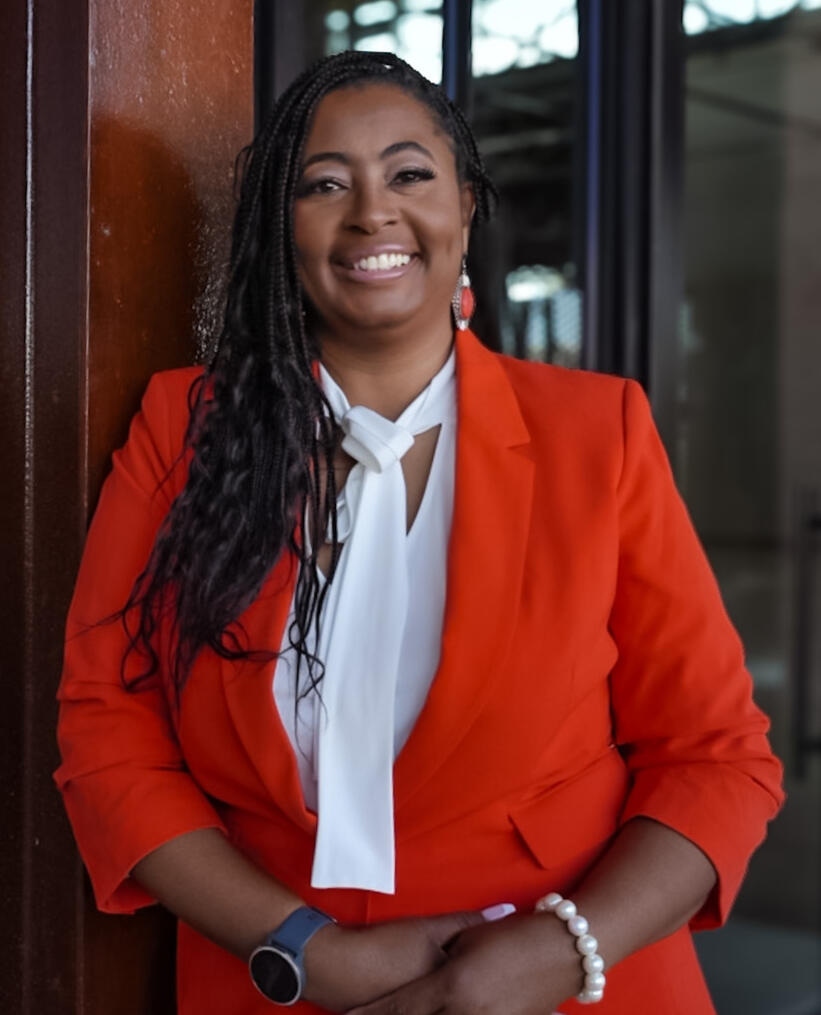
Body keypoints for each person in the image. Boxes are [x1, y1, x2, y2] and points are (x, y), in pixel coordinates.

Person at [56, 50, 784, 1014]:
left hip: (565, 986)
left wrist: (560, 951)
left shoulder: (595, 432)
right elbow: (110, 733)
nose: (371, 213)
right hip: (272, 982)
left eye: (409, 173)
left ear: (467, 206)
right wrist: (305, 948)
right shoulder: (184, 429)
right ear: (282, 227)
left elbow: (715, 757)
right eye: (325, 184)